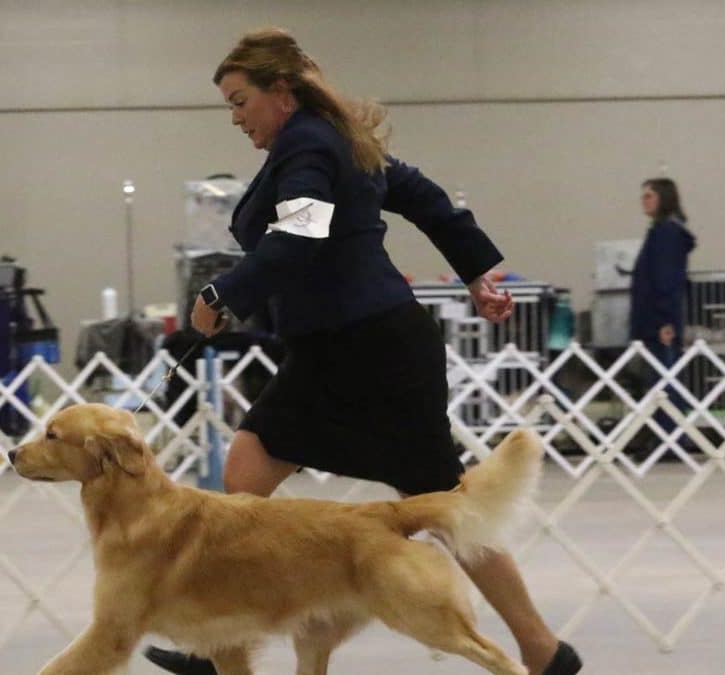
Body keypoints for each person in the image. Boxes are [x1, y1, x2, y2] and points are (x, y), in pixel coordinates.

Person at [145, 28, 581, 675]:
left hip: (375, 352)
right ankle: (224, 647)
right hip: (334, 349)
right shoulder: (329, 141)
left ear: (281, 93)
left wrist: (222, 292)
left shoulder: (311, 148)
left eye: (240, 102)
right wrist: (473, 269)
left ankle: (542, 650)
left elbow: (298, 237)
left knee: (443, 505)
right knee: (245, 474)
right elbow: (425, 197)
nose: (235, 118)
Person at [630, 178, 696, 445]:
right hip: (654, 319)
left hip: (660, 322)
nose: (643, 200)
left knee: (665, 383)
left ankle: (671, 440)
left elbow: (665, 280)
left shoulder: (666, 234)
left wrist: (666, 321)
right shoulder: (660, 231)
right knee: (661, 381)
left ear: (664, 199)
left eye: (649, 196)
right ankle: (667, 438)